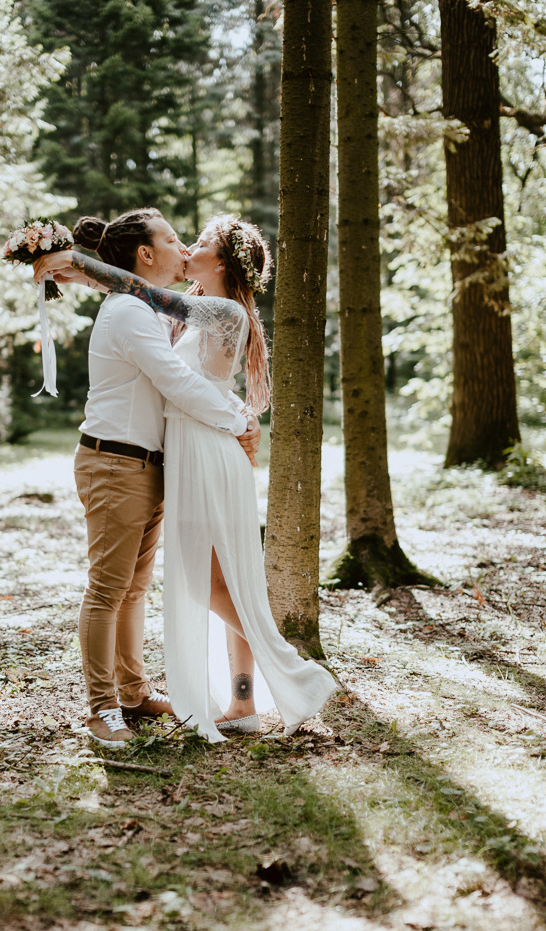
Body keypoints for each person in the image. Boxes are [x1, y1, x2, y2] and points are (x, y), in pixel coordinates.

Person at [35, 214, 337, 743]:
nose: (186, 247)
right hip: (161, 455)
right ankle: (129, 702)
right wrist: (82, 268)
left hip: (196, 452)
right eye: (176, 239)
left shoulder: (216, 311)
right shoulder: (161, 313)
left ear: (219, 263)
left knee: (203, 579)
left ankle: (270, 670)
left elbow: (178, 369)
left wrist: (81, 265)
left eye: (196, 242)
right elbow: (172, 351)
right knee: (178, 581)